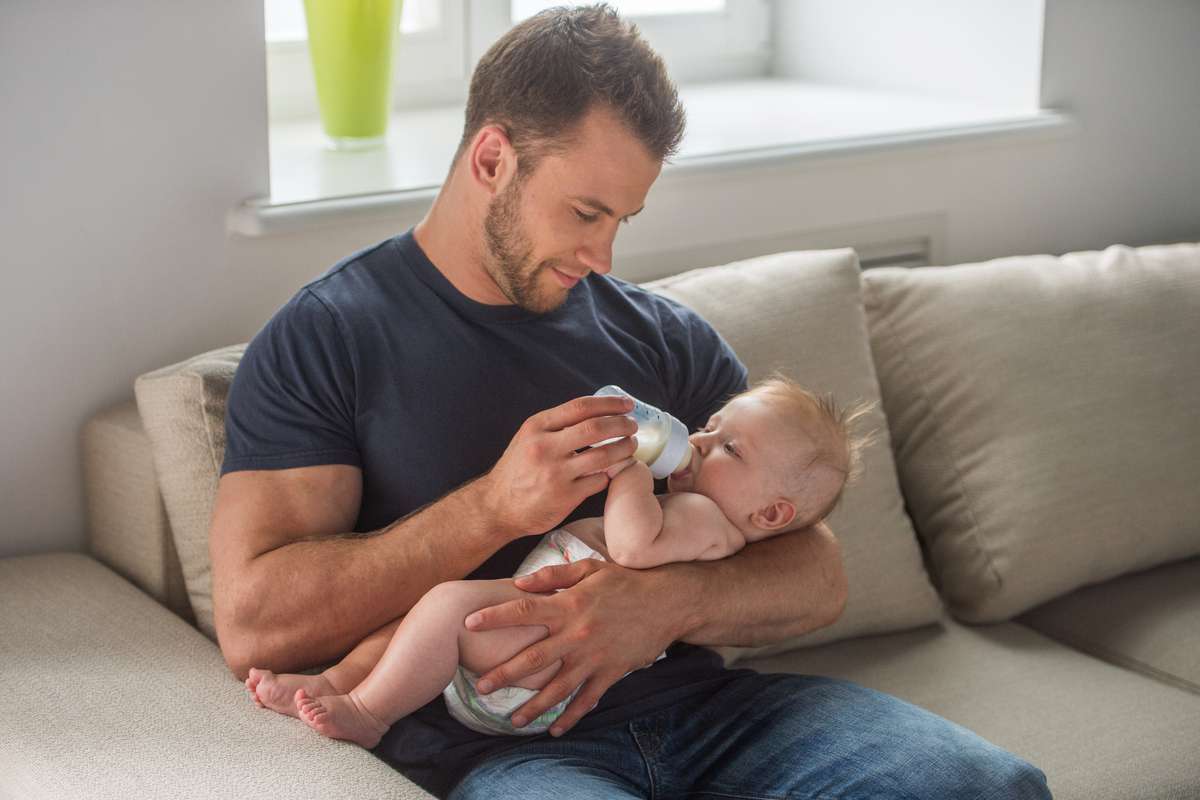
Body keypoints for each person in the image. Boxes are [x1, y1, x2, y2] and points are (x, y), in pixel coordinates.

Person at [210, 5, 1051, 797]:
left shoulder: (664, 339)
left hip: (714, 717)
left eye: (624, 218)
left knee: (992, 786)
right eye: (585, 212)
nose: (605, 256)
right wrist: (494, 509)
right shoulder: (329, 338)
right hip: (512, 749)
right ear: (492, 160)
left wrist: (659, 602)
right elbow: (256, 628)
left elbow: (814, 570)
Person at [242, 376, 870, 746]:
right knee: (420, 620)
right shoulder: (705, 505)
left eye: (728, 446)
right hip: (529, 653)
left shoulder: (709, 522)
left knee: (444, 608)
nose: (700, 442)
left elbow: (631, 547)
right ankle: (331, 683)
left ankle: (369, 713)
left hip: (538, 667)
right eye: (709, 425)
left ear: (771, 515)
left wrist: (627, 470)